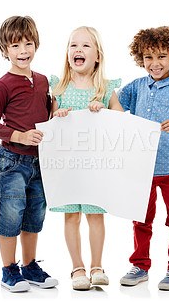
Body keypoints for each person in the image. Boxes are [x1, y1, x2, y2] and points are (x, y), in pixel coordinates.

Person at [118, 26, 169, 291]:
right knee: (141, 218)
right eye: (149, 57)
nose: (155, 63)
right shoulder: (137, 86)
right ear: (141, 59)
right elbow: (114, 104)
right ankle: (140, 266)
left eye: (162, 56)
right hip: (142, 167)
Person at [0, 15, 58, 292]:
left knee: (35, 215)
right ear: (5, 50)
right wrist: (19, 136)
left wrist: (57, 113)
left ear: (36, 45)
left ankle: (29, 266)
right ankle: (8, 270)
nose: (23, 51)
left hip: (41, 161)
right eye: (15, 46)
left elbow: (48, 114)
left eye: (28, 44)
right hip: (13, 161)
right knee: (11, 215)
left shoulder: (42, 81)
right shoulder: (3, 85)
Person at [50, 26, 124, 290]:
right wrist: (57, 116)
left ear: (97, 56)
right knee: (71, 215)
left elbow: (122, 121)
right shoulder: (58, 88)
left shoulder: (105, 89)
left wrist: (103, 109)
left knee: (95, 215)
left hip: (95, 166)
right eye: (73, 45)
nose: (78, 50)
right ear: (68, 53)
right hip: (68, 166)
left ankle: (97, 266)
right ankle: (77, 267)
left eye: (85, 45)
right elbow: (49, 124)